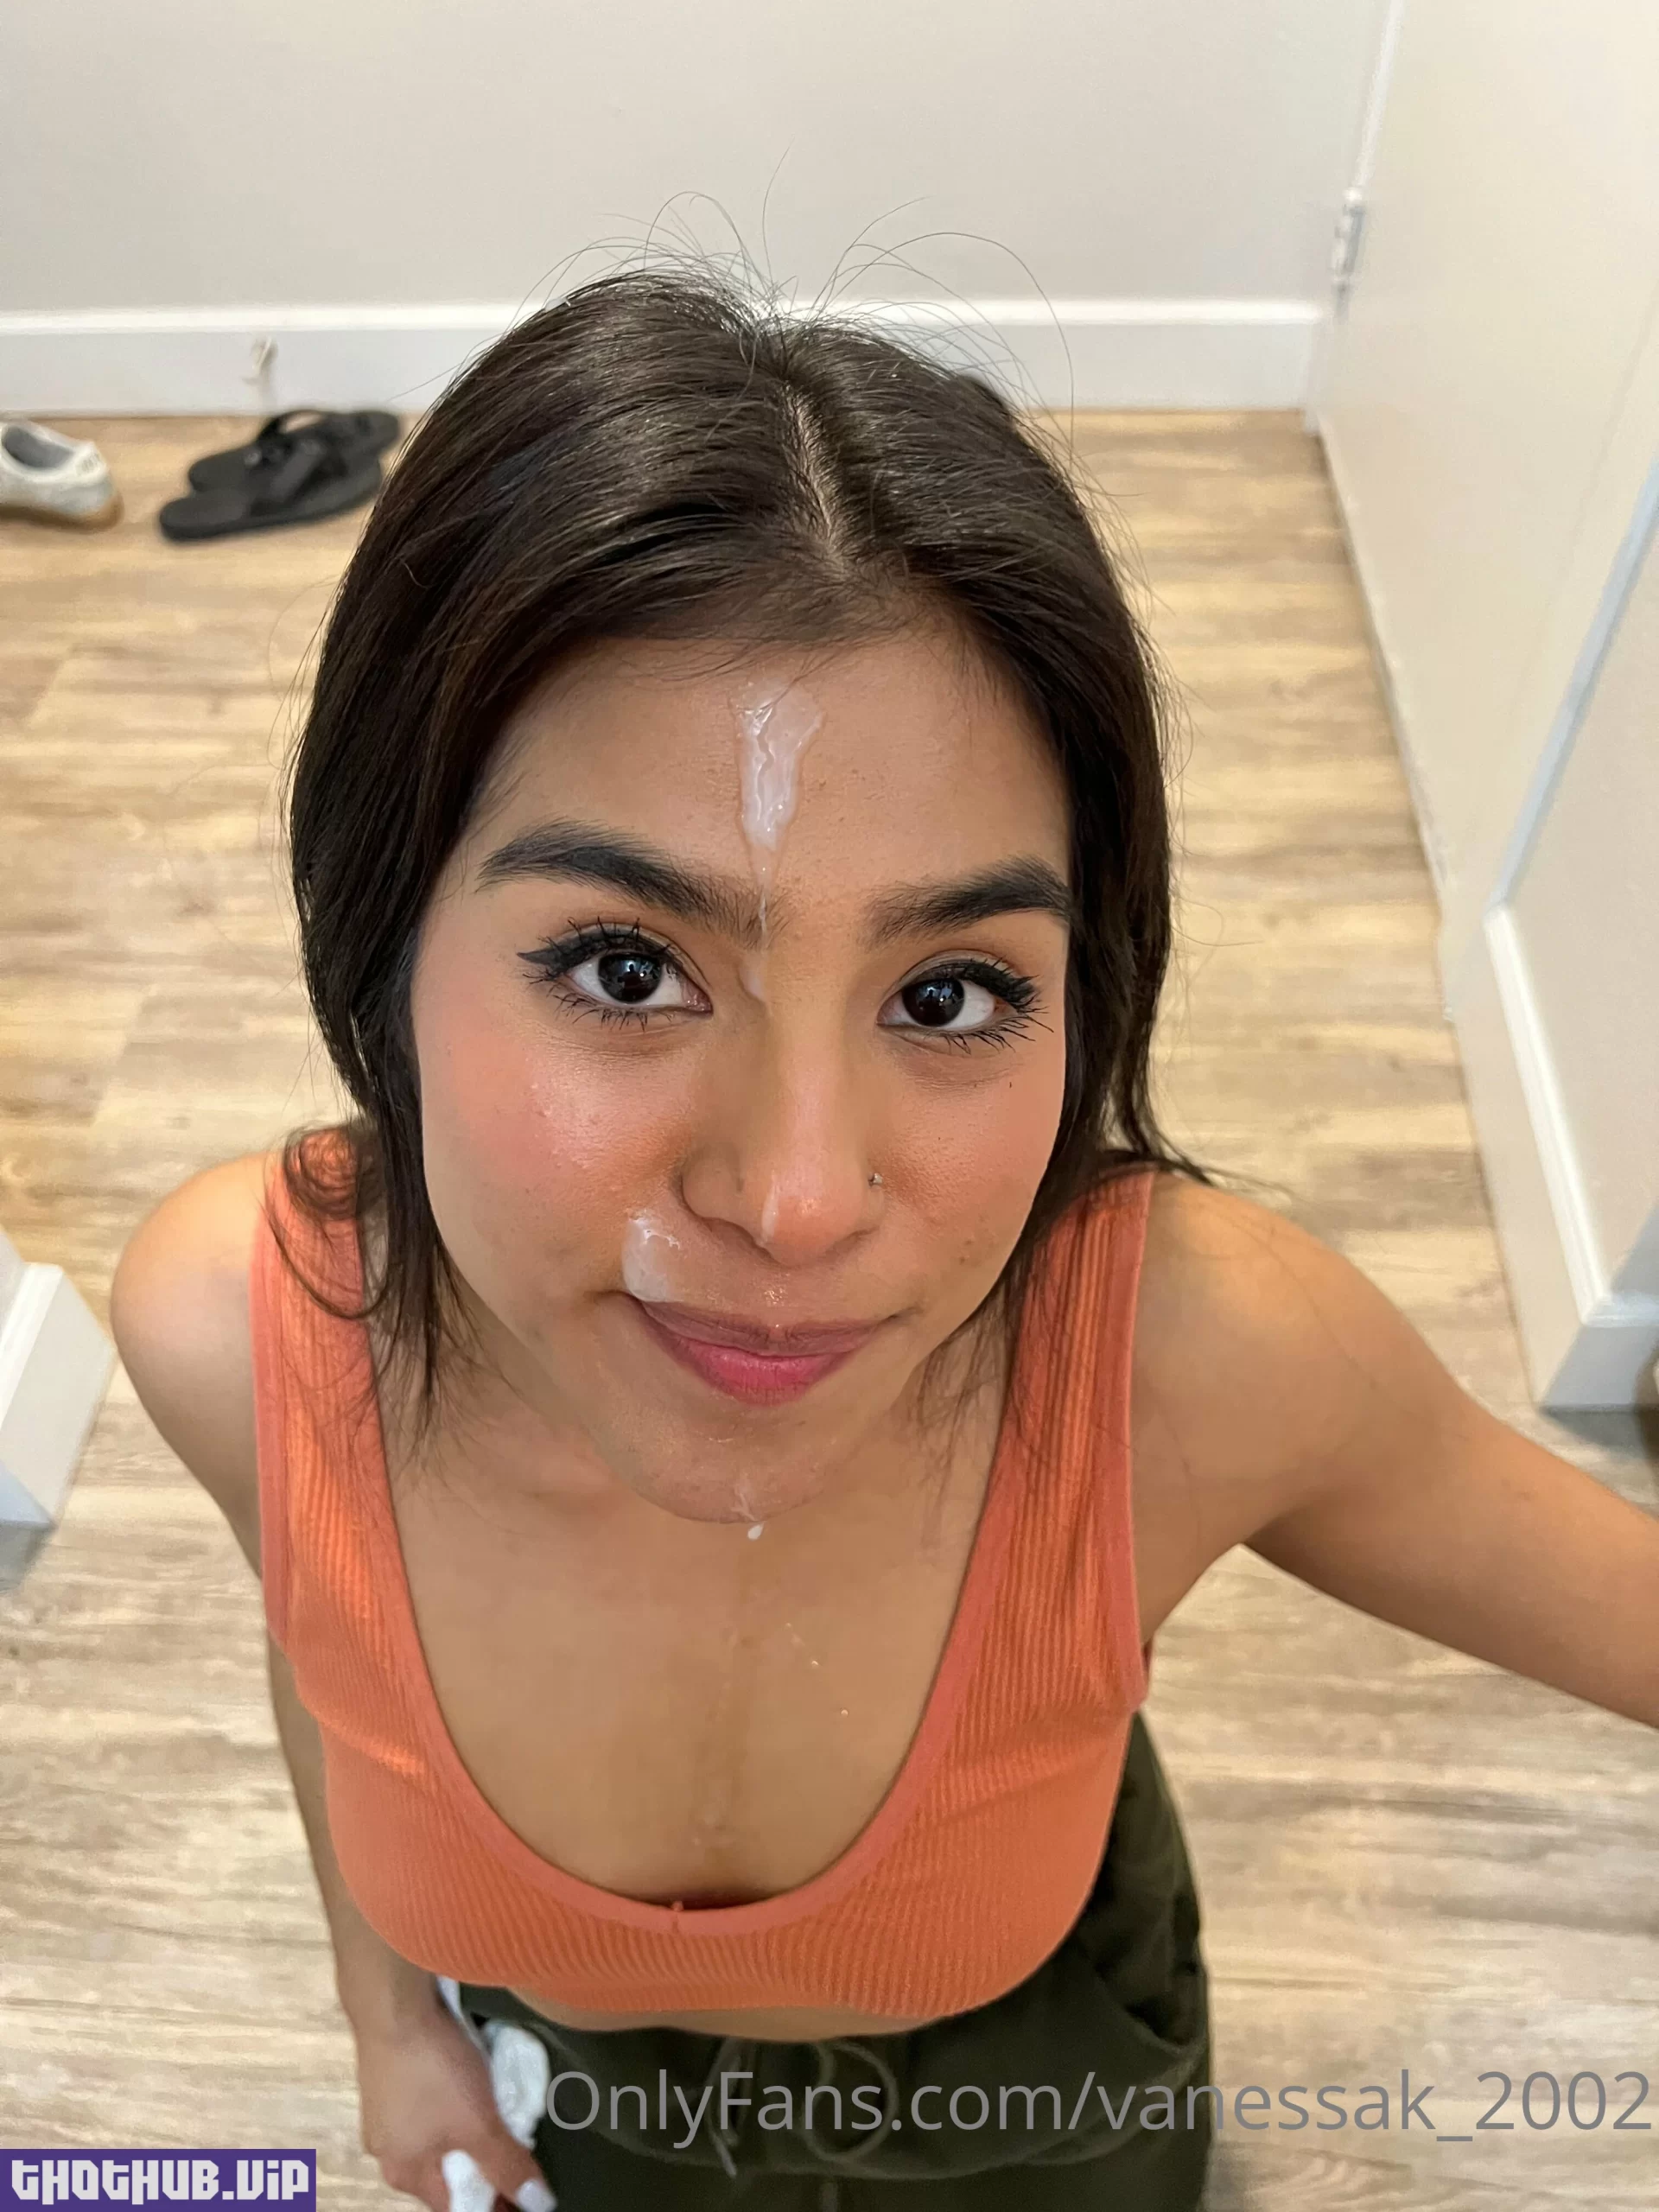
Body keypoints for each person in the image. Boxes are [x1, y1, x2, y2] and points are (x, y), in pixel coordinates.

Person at [110, 269, 1659, 2212]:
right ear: (379, 937)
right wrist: (390, 2019)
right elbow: (323, 1646)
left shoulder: (1200, 1357)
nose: (798, 1200)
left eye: (949, 994)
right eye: (624, 965)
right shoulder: (242, 1330)